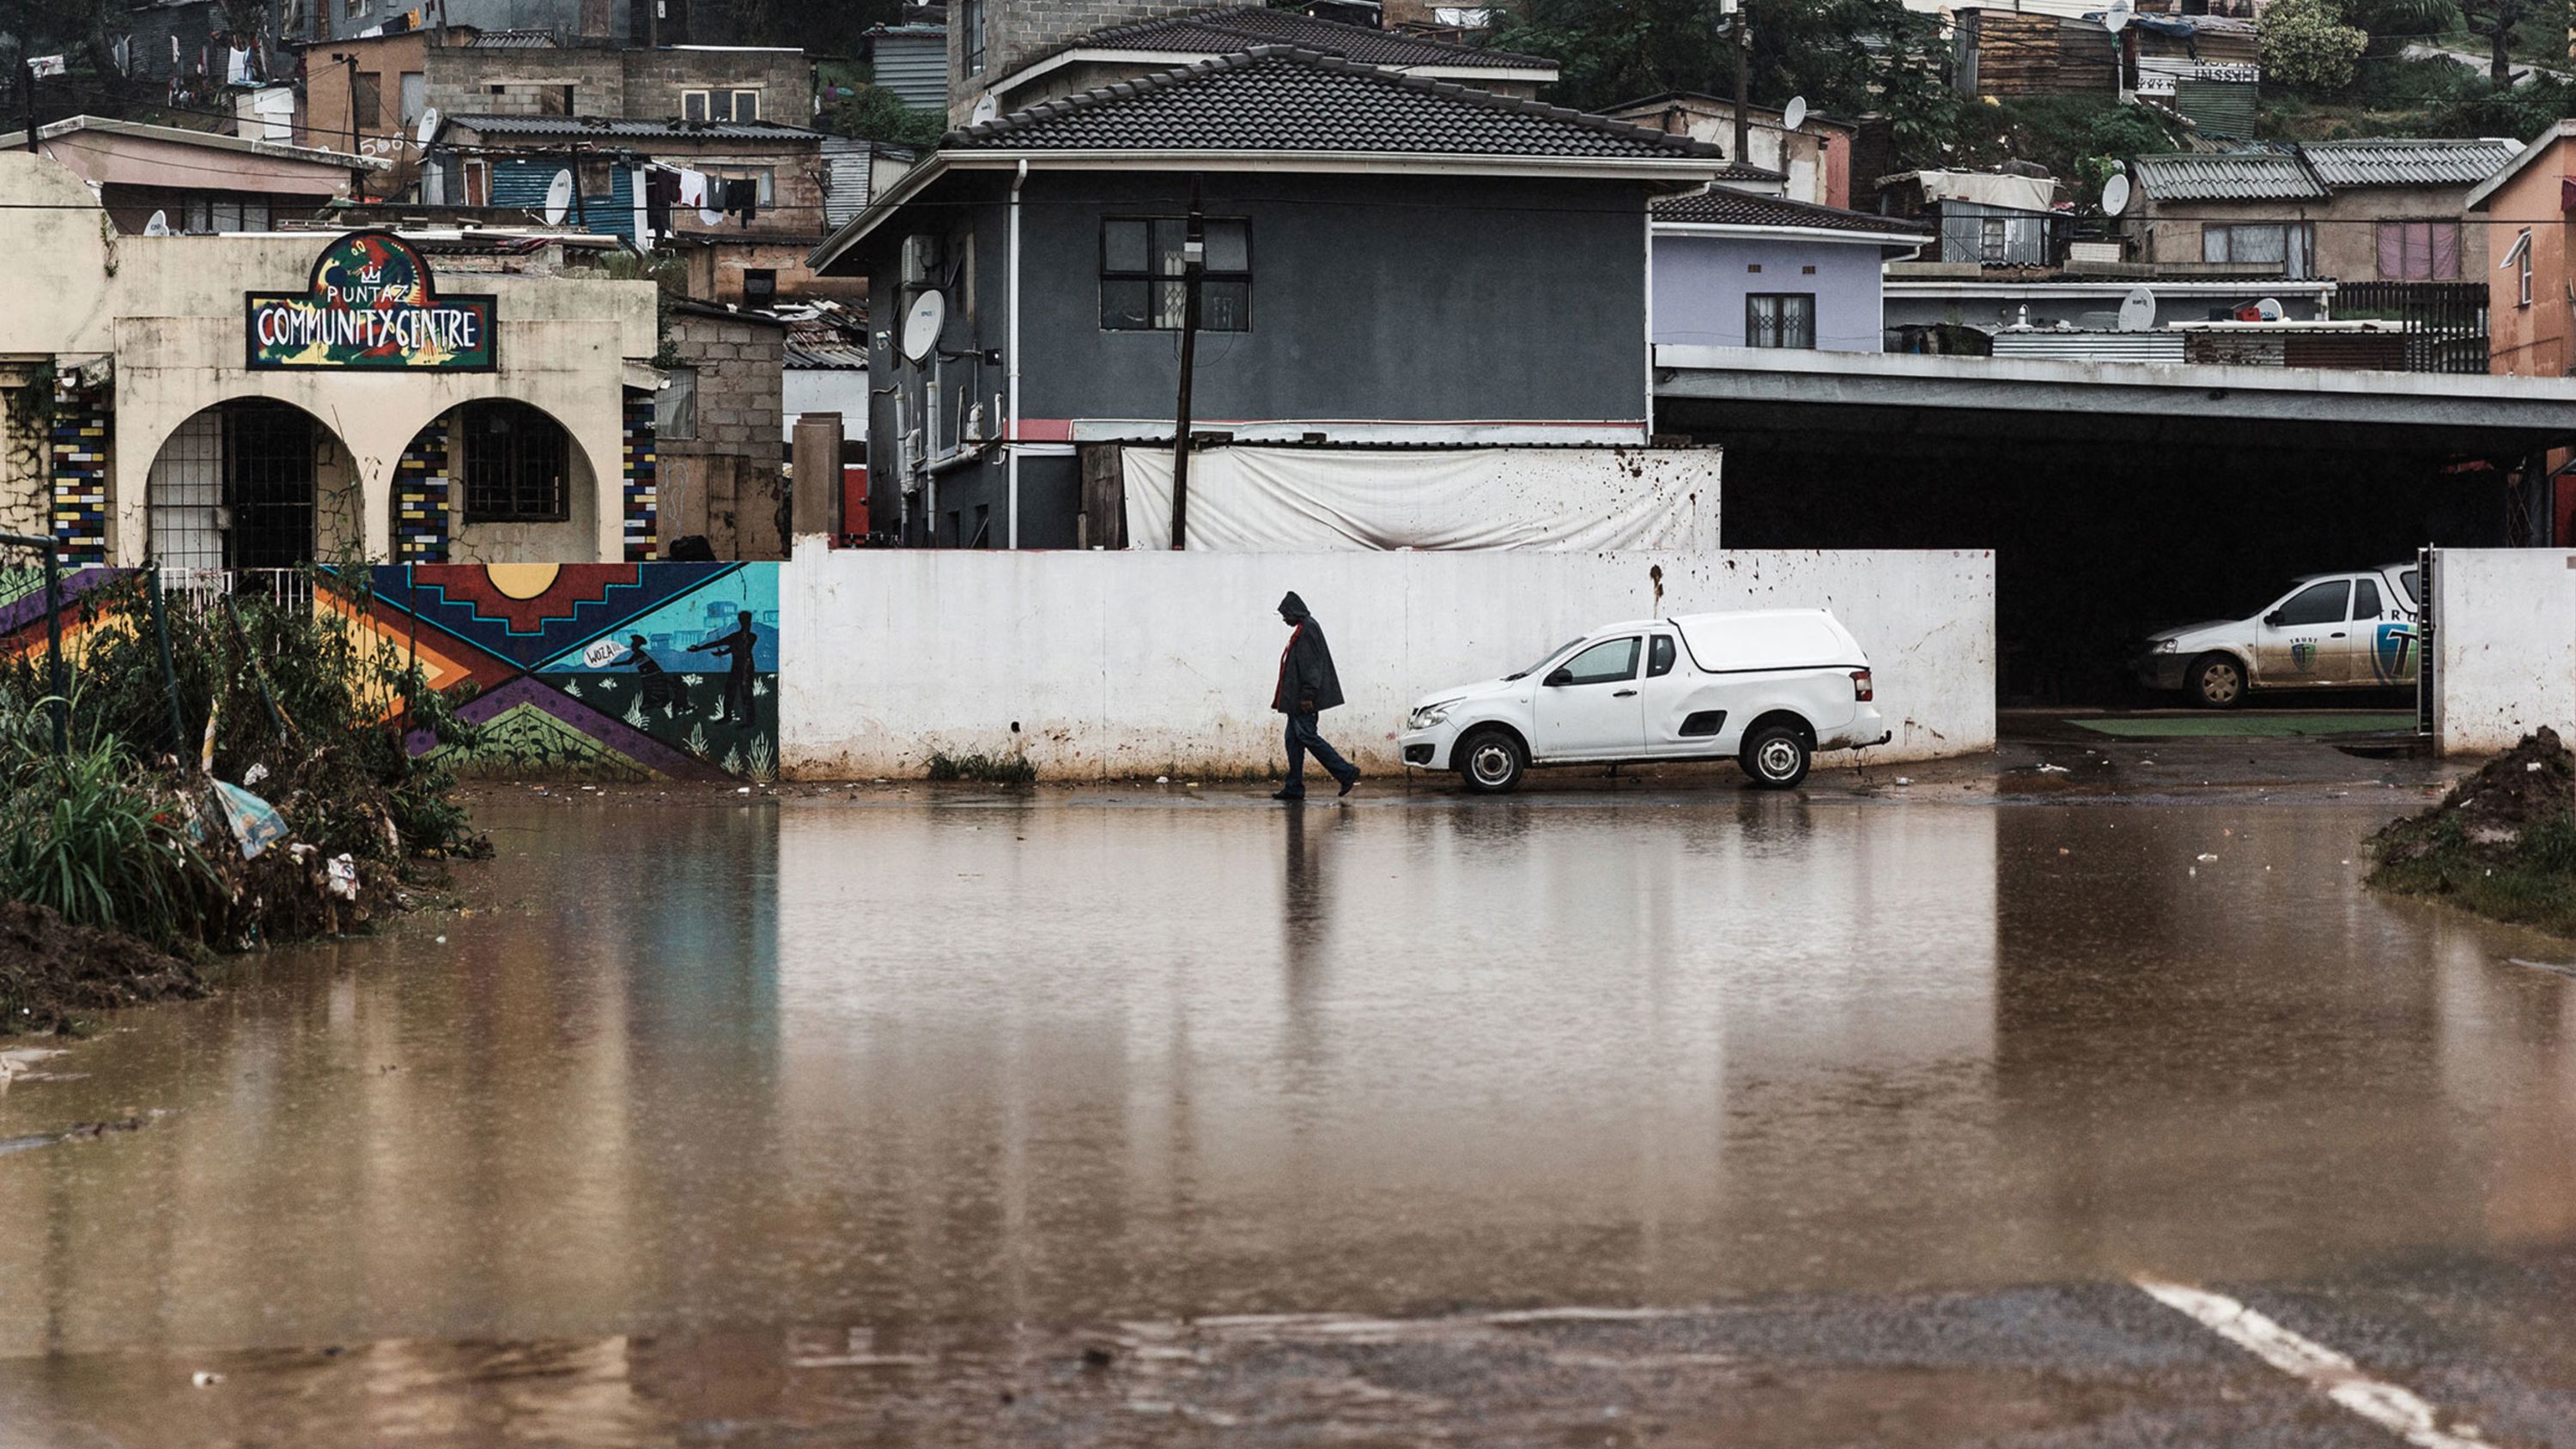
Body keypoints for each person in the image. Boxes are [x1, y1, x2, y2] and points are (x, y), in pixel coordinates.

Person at [1271, 591, 1358, 802]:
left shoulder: (1308, 629)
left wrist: (1307, 696)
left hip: (1303, 701)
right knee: (1293, 740)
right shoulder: (1303, 628)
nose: (1284, 619)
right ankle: (1294, 787)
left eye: (1285, 615)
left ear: (1294, 612)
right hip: (1295, 702)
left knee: (1307, 736)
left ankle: (1345, 772)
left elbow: (1312, 667)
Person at [690, 610, 760, 723]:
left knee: (742, 692)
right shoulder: (751, 637)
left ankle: (743, 719)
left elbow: (726, 645)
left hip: (743, 666)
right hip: (744, 666)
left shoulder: (742, 637)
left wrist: (700, 648)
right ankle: (737, 718)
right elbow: (736, 647)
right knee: (738, 691)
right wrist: (723, 652)